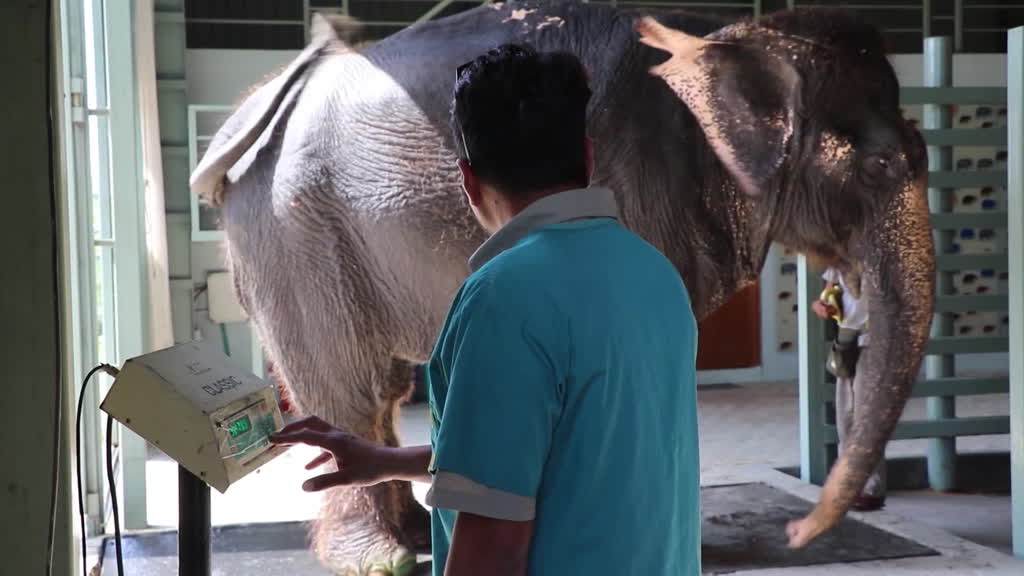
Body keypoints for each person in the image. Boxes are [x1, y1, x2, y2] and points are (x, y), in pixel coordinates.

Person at [270, 43, 701, 575]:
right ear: (588, 158)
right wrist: (385, 463)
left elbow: (493, 543)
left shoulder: (503, 297)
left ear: (467, 179)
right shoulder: (654, 275)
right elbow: (556, 454)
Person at [812, 266, 886, 511]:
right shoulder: (838, 257)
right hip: (847, 339)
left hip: (876, 339)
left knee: (866, 413)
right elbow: (828, 294)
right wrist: (823, 307)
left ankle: (869, 487)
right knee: (846, 415)